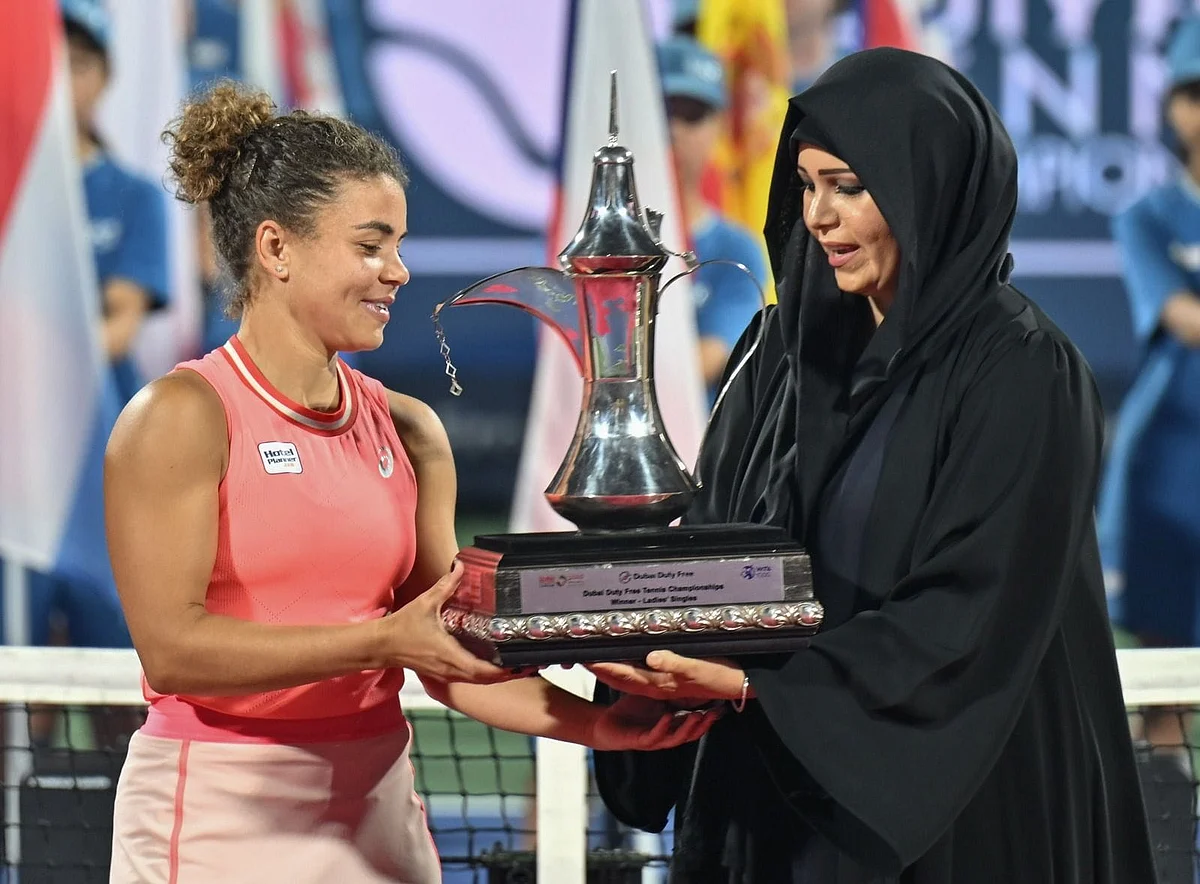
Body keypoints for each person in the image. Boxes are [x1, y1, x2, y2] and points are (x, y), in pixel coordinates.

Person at [104, 81, 718, 884]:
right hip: (215, 820)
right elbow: (172, 650)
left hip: (379, 814)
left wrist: (600, 726)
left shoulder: (412, 429)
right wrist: (380, 641)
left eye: (398, 244)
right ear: (276, 248)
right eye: (370, 245)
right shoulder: (180, 416)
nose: (397, 271)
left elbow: (442, 648)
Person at [587, 48, 1157, 882]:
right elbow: (711, 550)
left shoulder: (1024, 368)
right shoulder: (777, 351)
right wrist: (620, 619)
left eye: (849, 186)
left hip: (964, 809)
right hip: (771, 796)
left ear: (931, 188)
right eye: (806, 184)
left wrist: (773, 689)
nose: (818, 216)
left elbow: (975, 606)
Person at [1097, 15, 1200, 753]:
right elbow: (1181, 316)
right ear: (1175, 107)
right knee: (1167, 686)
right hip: (1172, 473)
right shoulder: (1149, 215)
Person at [658, 36, 769, 403]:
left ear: (718, 127)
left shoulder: (736, 250)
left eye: (692, 115)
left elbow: (711, 357)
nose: (674, 130)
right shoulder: (596, 240)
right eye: (662, 111)